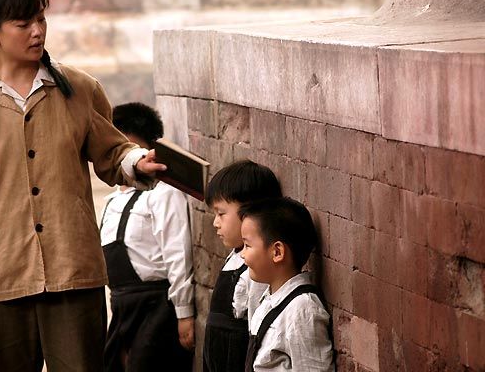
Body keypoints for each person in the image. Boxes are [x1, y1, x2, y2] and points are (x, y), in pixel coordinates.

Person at [0, 0, 164, 371]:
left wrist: (135, 160)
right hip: (1, 275)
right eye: (23, 24)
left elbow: (111, 152)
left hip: (73, 267)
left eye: (41, 19)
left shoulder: (79, 88)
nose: (37, 31)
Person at [100, 102, 194, 372]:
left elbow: (178, 254)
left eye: (133, 150)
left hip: (157, 307)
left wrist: (184, 313)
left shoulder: (163, 193)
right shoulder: (110, 202)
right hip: (120, 306)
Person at [203, 160, 282, 372]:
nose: (215, 222)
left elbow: (255, 329)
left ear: (250, 214)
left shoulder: (255, 267)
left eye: (221, 213)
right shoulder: (235, 255)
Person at [239, 197, 334, 371]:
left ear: (277, 252)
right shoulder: (269, 298)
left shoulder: (302, 309)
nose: (242, 255)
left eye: (247, 245)